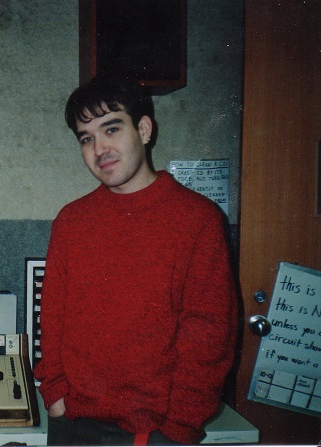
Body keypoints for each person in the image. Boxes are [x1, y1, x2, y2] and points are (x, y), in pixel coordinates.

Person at [33, 79, 238, 445]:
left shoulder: (198, 220)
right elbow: (52, 315)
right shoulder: (71, 221)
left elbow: (208, 335)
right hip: (73, 422)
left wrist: (178, 429)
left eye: (111, 129)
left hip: (155, 432)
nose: (100, 149)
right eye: (86, 138)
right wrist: (55, 394)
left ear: (143, 130)